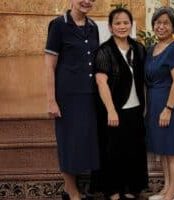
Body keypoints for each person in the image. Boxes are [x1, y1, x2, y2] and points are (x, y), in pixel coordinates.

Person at [45, 0, 99, 199]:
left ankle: (74, 189)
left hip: (90, 96)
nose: (86, 1)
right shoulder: (58, 25)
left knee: (84, 142)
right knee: (69, 142)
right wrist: (51, 100)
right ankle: (71, 191)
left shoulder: (93, 27)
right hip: (67, 97)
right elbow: (49, 66)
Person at [94, 7, 148, 200]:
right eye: (117, 23)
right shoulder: (104, 51)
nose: (122, 26)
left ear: (131, 25)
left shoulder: (139, 48)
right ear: (110, 27)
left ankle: (131, 188)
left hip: (135, 109)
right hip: (114, 110)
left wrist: (146, 105)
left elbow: (144, 80)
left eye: (126, 22)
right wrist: (111, 110)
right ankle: (114, 190)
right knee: (113, 151)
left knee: (133, 150)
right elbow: (101, 82)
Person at [145, 7, 174, 200]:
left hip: (170, 104)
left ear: (173, 26)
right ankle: (166, 186)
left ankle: (173, 191)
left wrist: (168, 109)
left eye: (165, 23)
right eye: (158, 23)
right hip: (154, 103)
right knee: (162, 147)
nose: (161, 26)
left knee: (172, 148)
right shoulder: (152, 48)